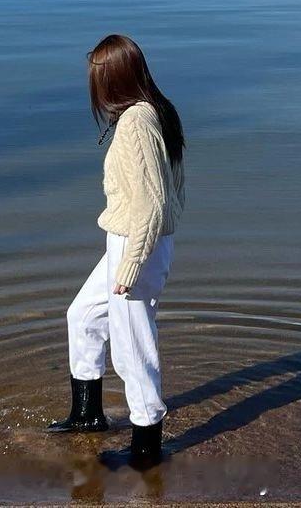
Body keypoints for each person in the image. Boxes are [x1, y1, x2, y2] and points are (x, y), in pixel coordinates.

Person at [48, 34, 186, 469]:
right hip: (135, 240)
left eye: (96, 78)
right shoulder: (157, 110)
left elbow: (152, 204)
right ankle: (87, 415)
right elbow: (172, 190)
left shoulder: (135, 125)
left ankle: (146, 446)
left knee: (133, 345)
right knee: (83, 316)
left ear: (112, 80)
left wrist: (131, 265)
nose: (94, 88)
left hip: (137, 245)